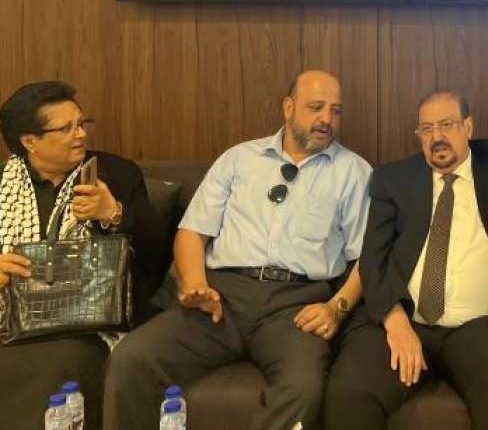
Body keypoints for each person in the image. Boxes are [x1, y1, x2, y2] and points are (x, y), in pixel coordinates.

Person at [103, 70, 372, 430]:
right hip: (221, 298)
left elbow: (368, 257)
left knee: (303, 389)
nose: (327, 119)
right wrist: (195, 284)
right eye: (316, 107)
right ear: (288, 107)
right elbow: (192, 232)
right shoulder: (239, 159)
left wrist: (336, 308)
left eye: (336, 111)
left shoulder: (354, 172)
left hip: (295, 306)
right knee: (132, 358)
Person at [324, 91, 488, 430]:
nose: (436, 136)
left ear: (468, 127)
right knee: (348, 394)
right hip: (404, 318)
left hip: (480, 328)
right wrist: (395, 322)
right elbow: (373, 259)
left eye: (447, 125)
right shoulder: (394, 180)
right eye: (426, 129)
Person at [0, 81, 161, 430]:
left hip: (87, 327)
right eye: (66, 128)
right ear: (30, 141)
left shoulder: (116, 174)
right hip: (9, 323)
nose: (81, 135)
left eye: (82, 124)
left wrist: (113, 213)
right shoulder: (3, 185)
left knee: (61, 364)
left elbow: (157, 253)